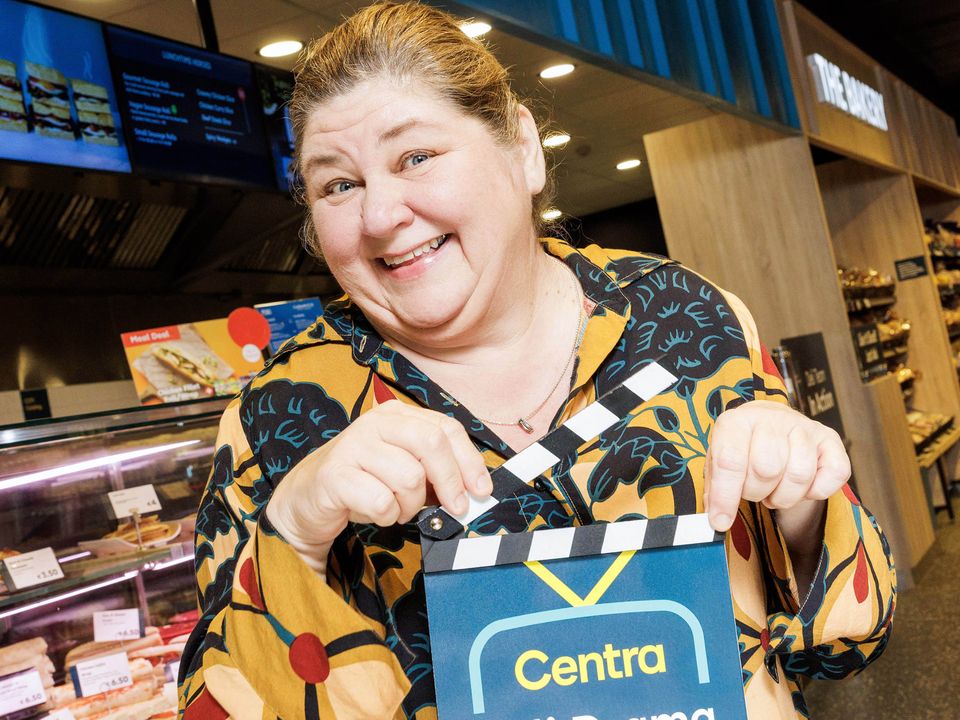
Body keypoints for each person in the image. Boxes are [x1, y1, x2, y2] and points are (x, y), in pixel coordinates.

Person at [178, 3, 896, 718]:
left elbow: (848, 637)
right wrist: (295, 531)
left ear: (521, 147)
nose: (378, 216)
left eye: (416, 157)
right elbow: (217, 705)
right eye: (338, 184)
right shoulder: (276, 416)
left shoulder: (684, 314)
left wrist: (801, 503)